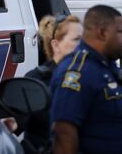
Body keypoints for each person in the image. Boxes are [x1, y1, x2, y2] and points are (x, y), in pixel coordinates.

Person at [49, 5, 122, 154]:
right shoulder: (78, 71)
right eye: (120, 31)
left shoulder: (106, 66)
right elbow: (64, 131)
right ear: (102, 33)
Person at [21, 14, 82, 154]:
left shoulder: (88, 75)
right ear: (55, 44)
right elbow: (18, 119)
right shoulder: (36, 79)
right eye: (76, 40)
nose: (83, 45)